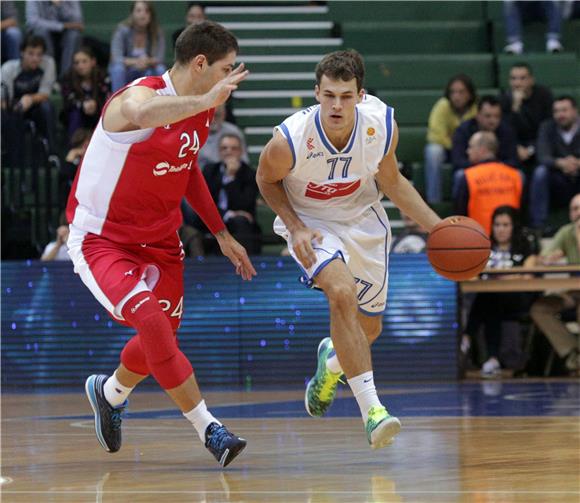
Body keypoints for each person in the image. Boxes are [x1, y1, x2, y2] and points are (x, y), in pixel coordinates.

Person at [65, 21, 256, 467]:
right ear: (201, 64)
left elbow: (186, 167)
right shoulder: (135, 96)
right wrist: (207, 99)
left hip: (160, 240)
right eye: (227, 69)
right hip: (103, 240)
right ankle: (210, 429)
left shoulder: (204, 111)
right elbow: (145, 113)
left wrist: (222, 234)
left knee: (162, 339)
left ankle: (109, 393)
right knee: (151, 324)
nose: (231, 78)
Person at [256, 49, 441, 449]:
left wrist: (437, 227)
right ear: (316, 93)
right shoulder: (289, 139)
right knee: (341, 293)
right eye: (328, 95)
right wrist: (295, 226)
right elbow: (265, 180)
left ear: (360, 95)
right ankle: (373, 411)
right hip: (312, 224)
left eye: (344, 95)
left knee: (369, 327)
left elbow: (392, 183)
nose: (336, 105)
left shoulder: (381, 126)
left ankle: (332, 363)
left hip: (363, 220)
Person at [462, 206, 536, 377]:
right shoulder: (484, 247)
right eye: (497, 225)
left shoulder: (524, 248)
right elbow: (473, 276)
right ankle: (492, 359)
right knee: (490, 301)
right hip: (491, 299)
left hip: (518, 300)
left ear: (513, 226)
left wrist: (497, 280)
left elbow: (527, 275)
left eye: (505, 225)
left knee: (488, 299)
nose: (501, 229)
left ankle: (466, 338)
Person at [530, 193, 580, 374]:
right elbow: (542, 258)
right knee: (540, 308)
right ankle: (573, 355)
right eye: (575, 209)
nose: (578, 213)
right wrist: (548, 259)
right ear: (569, 214)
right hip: (573, 291)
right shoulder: (566, 232)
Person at [191, 133, 261, 255]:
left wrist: (231, 176)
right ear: (219, 151)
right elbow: (204, 203)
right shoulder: (209, 170)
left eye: (233, 148)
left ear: (241, 151)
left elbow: (244, 204)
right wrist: (227, 214)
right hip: (213, 220)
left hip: (240, 225)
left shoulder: (250, 174)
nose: (229, 152)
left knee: (240, 221)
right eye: (224, 148)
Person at [1, 35, 57, 163]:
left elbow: (45, 93)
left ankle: (51, 153)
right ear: (22, 53)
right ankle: (11, 158)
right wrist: (16, 106)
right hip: (12, 108)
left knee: (47, 107)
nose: (35, 58)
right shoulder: (8, 69)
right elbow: (2, 101)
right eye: (31, 54)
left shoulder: (48, 63)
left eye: (39, 54)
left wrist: (29, 99)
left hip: (35, 108)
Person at [454, 131, 523, 235]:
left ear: (482, 150)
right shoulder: (516, 175)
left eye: (471, 147)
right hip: (510, 241)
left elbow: (459, 214)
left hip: (477, 240)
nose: (468, 151)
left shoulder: (468, 176)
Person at [424, 74, 478, 203]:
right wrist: (456, 146)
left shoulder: (477, 108)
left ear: (470, 94)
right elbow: (435, 135)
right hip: (447, 149)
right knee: (433, 151)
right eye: (453, 92)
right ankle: (434, 201)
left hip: (469, 150)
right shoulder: (442, 106)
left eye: (461, 92)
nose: (456, 96)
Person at [529, 96, 580, 229]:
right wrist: (561, 163)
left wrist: (577, 163)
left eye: (564, 110)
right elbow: (542, 156)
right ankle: (539, 226)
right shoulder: (547, 127)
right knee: (540, 172)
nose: (560, 115)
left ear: (575, 111)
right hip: (558, 178)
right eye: (556, 111)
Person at [500, 63, 553, 171]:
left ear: (531, 80)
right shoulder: (503, 99)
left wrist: (530, 149)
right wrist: (515, 107)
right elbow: (504, 130)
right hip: (514, 148)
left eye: (522, 78)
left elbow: (547, 128)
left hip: (539, 146)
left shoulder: (544, 95)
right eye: (513, 79)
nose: (517, 83)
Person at [108, 1, 166, 92]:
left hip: (146, 67)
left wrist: (147, 61)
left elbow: (159, 58)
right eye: (138, 11)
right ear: (132, 14)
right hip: (127, 68)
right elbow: (116, 57)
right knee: (118, 69)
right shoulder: (122, 30)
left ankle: (157, 102)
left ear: (151, 15)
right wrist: (136, 62)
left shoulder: (156, 32)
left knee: (160, 69)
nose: (142, 15)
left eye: (146, 11)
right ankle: (117, 101)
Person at [451, 95, 518, 174]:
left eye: (497, 116)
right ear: (478, 115)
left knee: (519, 175)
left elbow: (513, 161)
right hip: (473, 171)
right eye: (488, 116)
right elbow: (458, 161)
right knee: (460, 174)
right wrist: (484, 166)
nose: (492, 121)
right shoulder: (463, 130)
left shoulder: (506, 131)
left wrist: (493, 166)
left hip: (499, 172)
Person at [60, 46, 111, 143]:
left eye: (84, 61)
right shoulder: (67, 78)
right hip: (77, 115)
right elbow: (67, 101)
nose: (80, 66)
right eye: (77, 63)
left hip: (98, 112)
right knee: (75, 113)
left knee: (107, 113)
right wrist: (82, 104)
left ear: (93, 62)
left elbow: (108, 98)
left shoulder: (103, 76)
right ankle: (74, 148)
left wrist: (95, 104)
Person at [25, 0, 84, 77]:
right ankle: (49, 75)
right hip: (45, 33)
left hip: (64, 34)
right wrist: (62, 26)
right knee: (42, 32)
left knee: (73, 35)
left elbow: (77, 21)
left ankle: (65, 77)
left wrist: (60, 5)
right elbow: (32, 22)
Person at [197, 102, 248, 169]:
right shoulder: (194, 133)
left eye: (216, 115)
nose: (212, 120)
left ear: (224, 115)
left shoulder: (234, 132)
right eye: (209, 116)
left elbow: (244, 162)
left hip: (225, 173)